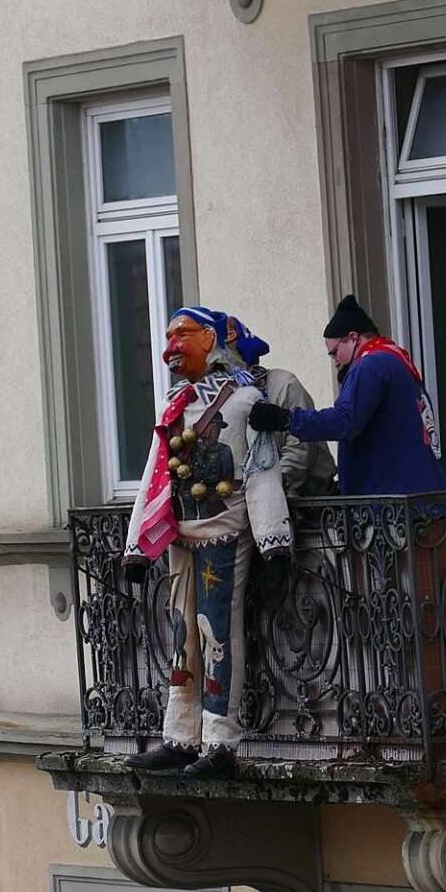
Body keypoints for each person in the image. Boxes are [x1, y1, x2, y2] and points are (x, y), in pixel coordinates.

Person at [122, 306, 291, 779]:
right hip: (181, 537)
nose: (172, 345)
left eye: (183, 334)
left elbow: (261, 474)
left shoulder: (244, 401)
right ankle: (179, 734)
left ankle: (220, 741)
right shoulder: (174, 402)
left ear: (211, 339)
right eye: (170, 334)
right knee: (182, 636)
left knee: (218, 635)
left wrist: (274, 543)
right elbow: (154, 476)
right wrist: (138, 545)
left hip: (222, 533)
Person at [248, 295, 446, 497]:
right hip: (419, 494)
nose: (335, 362)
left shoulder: (370, 366)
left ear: (353, 338)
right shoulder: (394, 358)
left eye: (334, 352)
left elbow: (344, 421)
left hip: (392, 500)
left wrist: (285, 419)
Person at [226, 316, 336, 496]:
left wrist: (272, 490)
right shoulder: (219, 398)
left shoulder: (283, 384)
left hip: (307, 502)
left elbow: (300, 446)